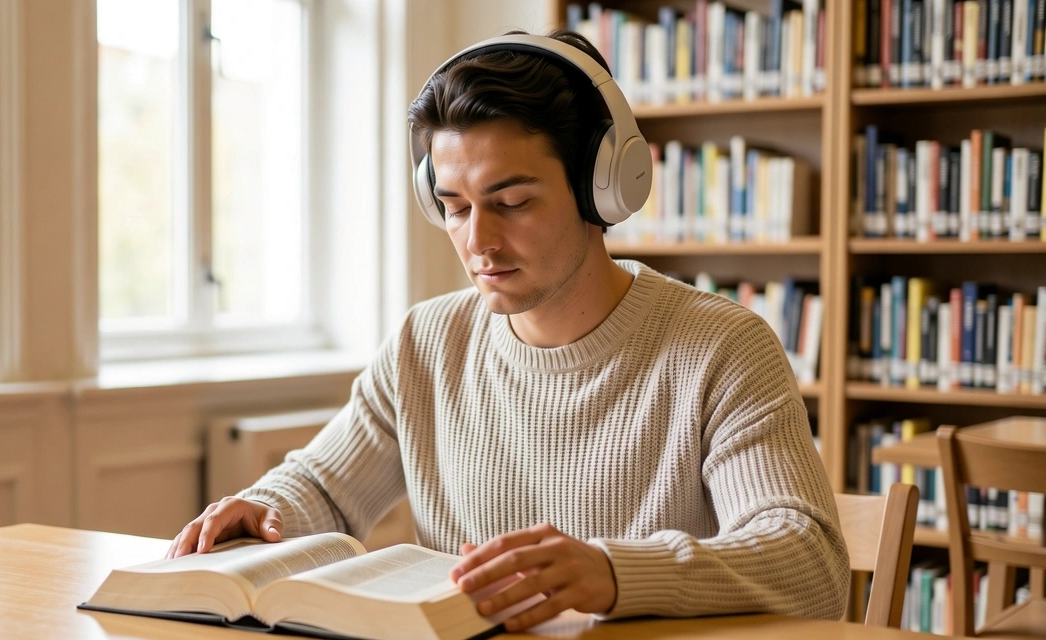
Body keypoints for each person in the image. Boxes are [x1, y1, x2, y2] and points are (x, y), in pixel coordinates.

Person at [166, 29, 849, 632]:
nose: (478, 241)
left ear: (599, 187)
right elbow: (322, 486)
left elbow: (810, 562)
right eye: (454, 207)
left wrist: (613, 573)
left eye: (512, 202)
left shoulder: (722, 348)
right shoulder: (425, 343)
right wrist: (262, 507)